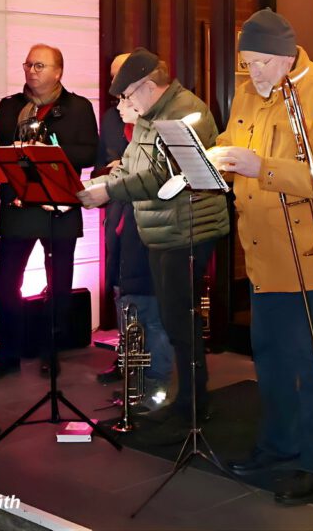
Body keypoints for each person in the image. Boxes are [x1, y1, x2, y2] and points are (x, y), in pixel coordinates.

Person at [207, 8, 313, 506]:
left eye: (264, 62)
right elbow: (234, 143)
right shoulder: (250, 90)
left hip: (311, 256)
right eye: (248, 62)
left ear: (289, 56)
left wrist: (261, 168)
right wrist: (217, 159)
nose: (255, 73)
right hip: (263, 253)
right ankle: (278, 444)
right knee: (269, 360)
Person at [78, 48, 228, 430]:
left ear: (147, 86)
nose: (124, 105)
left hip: (188, 228)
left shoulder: (185, 111)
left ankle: (194, 403)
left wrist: (109, 192)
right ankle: (185, 402)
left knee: (182, 320)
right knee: (173, 317)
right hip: (161, 228)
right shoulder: (152, 113)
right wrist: (96, 185)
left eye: (127, 95)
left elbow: (164, 176)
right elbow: (131, 163)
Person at [0, 43, 99, 380]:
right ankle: (8, 352)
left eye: (40, 65)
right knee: (6, 283)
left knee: (59, 286)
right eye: (29, 64)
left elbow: (89, 151)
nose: (32, 71)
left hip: (60, 205)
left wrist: (47, 147)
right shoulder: (10, 107)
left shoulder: (78, 107)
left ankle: (52, 351)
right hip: (18, 205)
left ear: (58, 72)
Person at [95, 53, 174, 407]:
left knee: (150, 308)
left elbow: (162, 172)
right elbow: (106, 160)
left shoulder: (163, 119)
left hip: (152, 224)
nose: (118, 96)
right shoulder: (116, 118)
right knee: (125, 299)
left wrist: (126, 170)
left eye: (125, 88)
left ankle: (154, 383)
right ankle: (131, 371)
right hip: (122, 222)